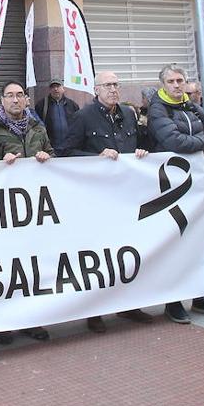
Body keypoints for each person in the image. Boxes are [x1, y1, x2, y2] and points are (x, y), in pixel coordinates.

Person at [60, 71, 155, 331]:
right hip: (98, 200)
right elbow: (66, 153)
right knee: (101, 257)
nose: (113, 89)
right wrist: (96, 157)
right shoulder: (83, 117)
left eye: (116, 84)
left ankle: (130, 306)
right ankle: (95, 312)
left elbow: (144, 143)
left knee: (129, 253)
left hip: (128, 197)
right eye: (108, 85)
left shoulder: (128, 114)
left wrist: (142, 151)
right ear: (96, 89)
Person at [146, 65, 204, 325]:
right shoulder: (158, 108)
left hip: (200, 185)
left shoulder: (194, 107)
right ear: (162, 84)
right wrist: (202, 143)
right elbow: (174, 142)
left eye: (180, 80)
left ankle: (201, 295)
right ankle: (174, 301)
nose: (176, 85)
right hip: (172, 186)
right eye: (170, 81)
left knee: (200, 240)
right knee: (175, 241)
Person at [0, 82, 54, 343]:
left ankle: (33, 319)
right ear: (2, 101)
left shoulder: (38, 127)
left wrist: (46, 157)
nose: (16, 100)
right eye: (10, 96)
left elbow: (52, 155)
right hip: (4, 211)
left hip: (35, 209)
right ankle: (5, 323)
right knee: (6, 269)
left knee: (33, 267)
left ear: (27, 100)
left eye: (20, 95)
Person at [35, 79, 79, 153]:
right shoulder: (41, 105)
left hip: (69, 148)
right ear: (49, 90)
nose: (55, 89)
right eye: (53, 87)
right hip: (50, 148)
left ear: (63, 88)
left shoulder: (72, 105)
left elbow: (78, 125)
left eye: (58, 86)